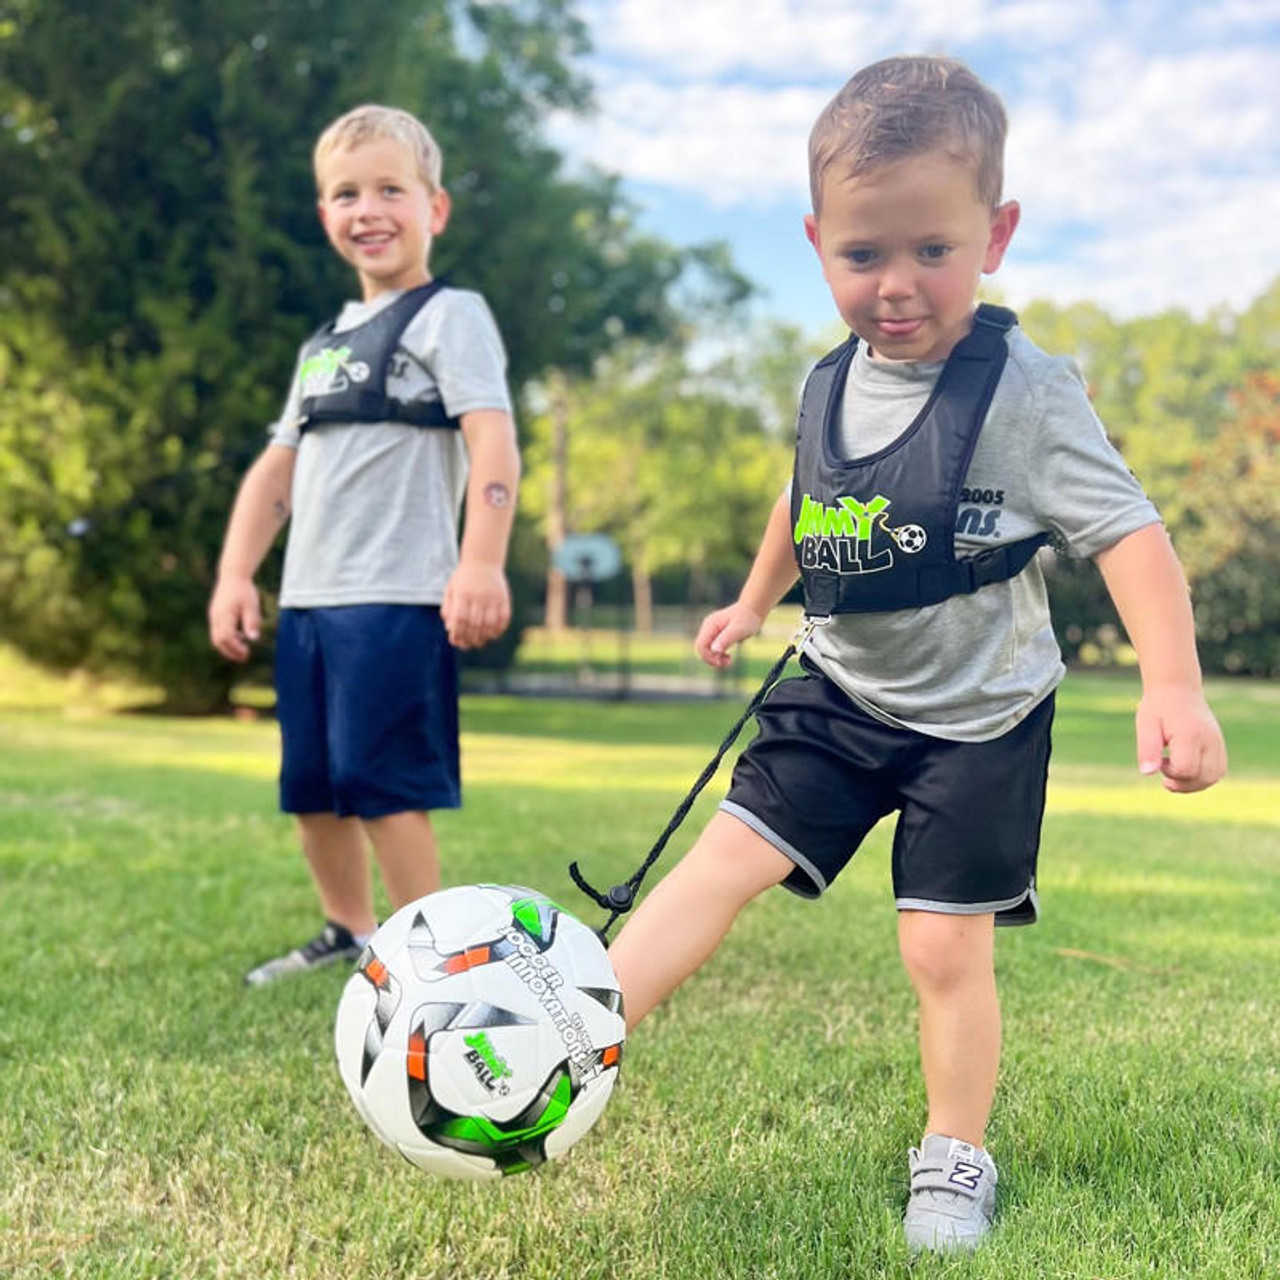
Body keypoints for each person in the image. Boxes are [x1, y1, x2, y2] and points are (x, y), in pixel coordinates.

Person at [606, 55, 1226, 1254]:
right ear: (815, 240)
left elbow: (1131, 535)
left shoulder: (1026, 393)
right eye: (862, 254)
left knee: (939, 942)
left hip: (977, 717)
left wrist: (1172, 682)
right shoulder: (824, 378)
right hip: (837, 686)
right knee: (716, 861)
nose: (895, 286)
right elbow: (809, 501)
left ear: (992, 235)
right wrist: (747, 602)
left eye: (930, 251)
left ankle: (955, 1151)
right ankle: (568, 1041)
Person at [208, 104, 520, 987]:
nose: (368, 209)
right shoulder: (325, 345)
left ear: (436, 209)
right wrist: (237, 573)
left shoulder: (449, 315)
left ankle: (434, 968)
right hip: (310, 599)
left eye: (392, 189)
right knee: (312, 788)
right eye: (347, 193)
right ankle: (351, 931)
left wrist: (481, 558)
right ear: (324, 215)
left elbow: (493, 444)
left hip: (398, 595)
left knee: (384, 787)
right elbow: (278, 472)